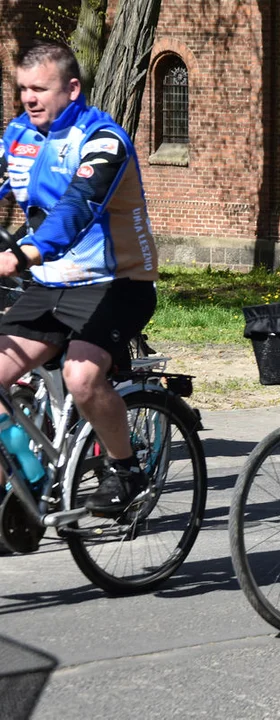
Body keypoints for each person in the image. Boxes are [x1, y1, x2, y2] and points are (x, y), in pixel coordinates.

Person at [0, 41, 158, 514]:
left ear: (71, 88)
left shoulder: (103, 138)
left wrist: (25, 252)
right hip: (50, 283)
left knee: (81, 374)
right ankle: (20, 493)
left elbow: (79, 204)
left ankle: (125, 470)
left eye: (39, 89)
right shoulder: (16, 135)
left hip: (115, 282)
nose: (29, 98)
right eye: (23, 88)